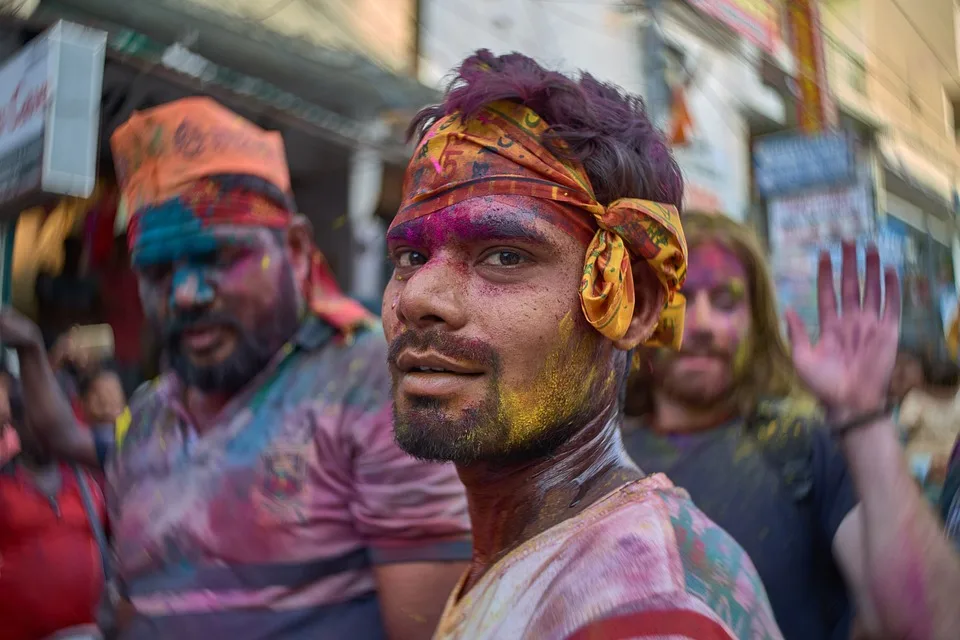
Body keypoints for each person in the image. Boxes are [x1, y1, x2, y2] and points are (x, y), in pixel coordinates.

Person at [0, 97, 471, 640]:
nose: (186, 294)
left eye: (219, 258)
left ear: (295, 249)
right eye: (157, 271)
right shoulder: (149, 416)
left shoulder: (375, 386)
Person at [383, 50, 783, 639]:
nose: (420, 296)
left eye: (505, 255)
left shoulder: (646, 612)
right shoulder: (543, 554)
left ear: (635, 303)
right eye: (411, 257)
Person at [622, 212, 960, 640]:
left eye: (726, 302)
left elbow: (933, 624)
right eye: (680, 298)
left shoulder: (803, 444)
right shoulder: (595, 459)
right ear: (645, 313)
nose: (703, 324)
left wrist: (862, 415)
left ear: (757, 325)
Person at [0, 371, 107, 640]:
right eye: (32, 418)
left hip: (91, 633)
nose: (43, 428)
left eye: (49, 418)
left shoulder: (89, 483)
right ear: (15, 422)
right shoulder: (4, 485)